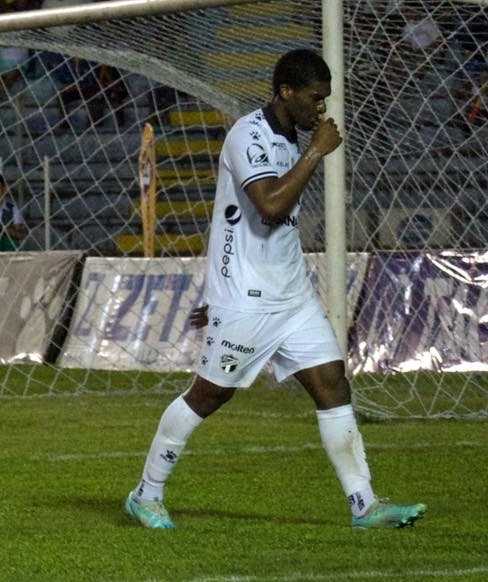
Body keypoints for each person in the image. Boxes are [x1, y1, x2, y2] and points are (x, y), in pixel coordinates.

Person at [123, 49, 427, 531]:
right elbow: (267, 206)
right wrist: (316, 152)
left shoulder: (292, 137)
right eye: (314, 99)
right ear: (285, 92)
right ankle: (146, 494)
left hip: (292, 295)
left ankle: (364, 505)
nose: (320, 110)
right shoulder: (249, 136)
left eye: (324, 100)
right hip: (246, 298)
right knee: (208, 396)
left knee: (332, 385)